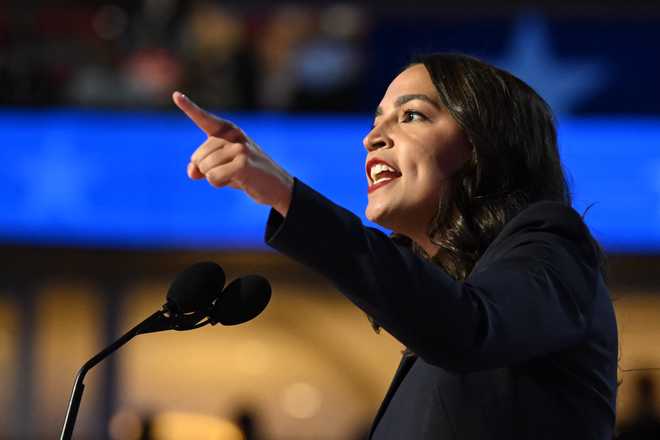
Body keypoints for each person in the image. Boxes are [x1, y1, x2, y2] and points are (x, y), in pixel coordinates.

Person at [172, 53, 618, 439]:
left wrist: (287, 195)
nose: (373, 138)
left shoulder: (554, 243)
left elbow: (469, 328)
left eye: (412, 116)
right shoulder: (436, 316)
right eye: (376, 121)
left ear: (482, 147)